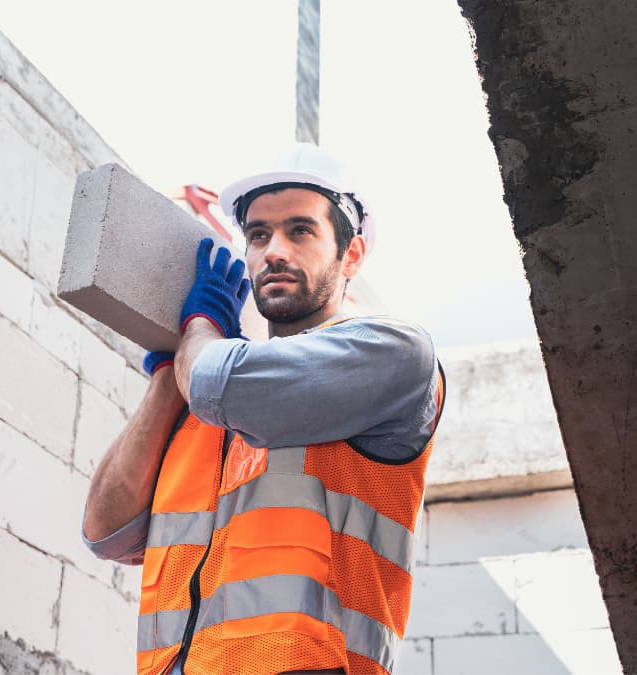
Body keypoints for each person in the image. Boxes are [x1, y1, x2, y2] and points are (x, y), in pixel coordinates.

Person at [82, 143, 445, 675]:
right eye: (258, 235)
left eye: (300, 230)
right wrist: (169, 379)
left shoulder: (391, 351)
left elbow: (214, 381)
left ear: (352, 255)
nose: (274, 250)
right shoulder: (210, 392)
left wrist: (198, 333)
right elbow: (106, 531)